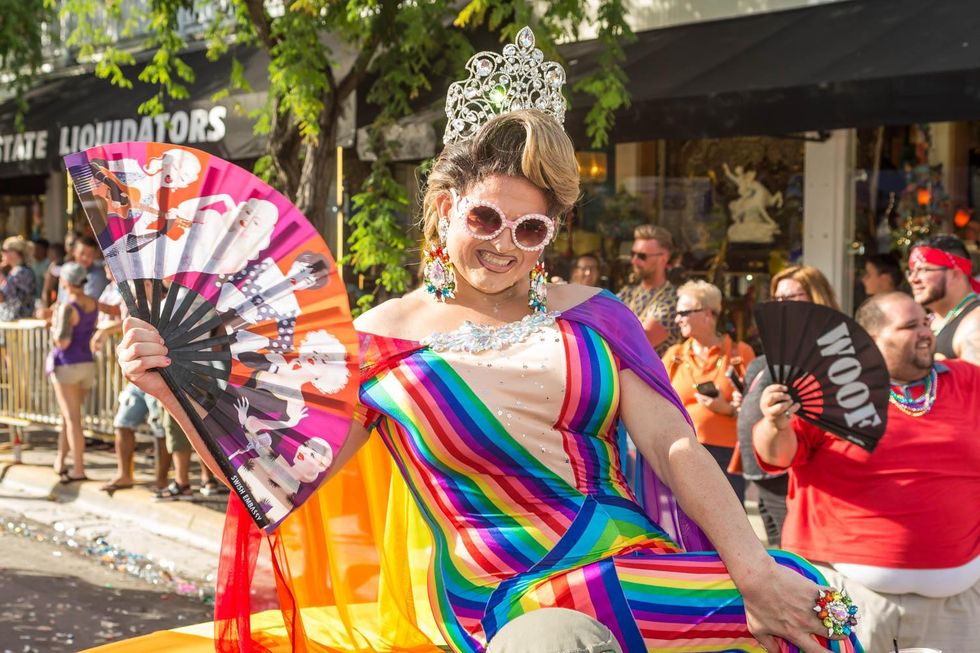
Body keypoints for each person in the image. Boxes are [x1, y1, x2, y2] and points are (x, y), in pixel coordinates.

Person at [118, 109, 861, 651]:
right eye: (485, 219)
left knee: (809, 598)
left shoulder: (597, 315)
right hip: (502, 592)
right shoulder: (375, 342)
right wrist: (172, 395)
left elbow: (674, 447)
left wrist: (753, 569)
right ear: (446, 208)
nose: (505, 246)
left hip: (630, 562)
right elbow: (279, 484)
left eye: (529, 230)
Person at [753, 291, 980, 651]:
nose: (926, 331)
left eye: (926, 321)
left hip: (956, 604)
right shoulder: (829, 387)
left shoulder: (968, 380)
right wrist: (774, 424)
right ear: (870, 340)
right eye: (910, 325)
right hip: (851, 595)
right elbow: (777, 456)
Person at [736, 265, 842, 547]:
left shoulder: (830, 346)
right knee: (778, 553)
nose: (780, 305)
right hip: (762, 469)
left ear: (816, 298)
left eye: (790, 297)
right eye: (777, 298)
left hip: (797, 470)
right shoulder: (782, 343)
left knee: (794, 556)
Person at [662, 280, 753, 504]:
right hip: (683, 452)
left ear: (708, 314)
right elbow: (657, 403)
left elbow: (756, 409)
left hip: (727, 455)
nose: (677, 319)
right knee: (686, 520)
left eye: (684, 312)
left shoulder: (740, 353)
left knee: (729, 517)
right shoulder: (674, 355)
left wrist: (728, 409)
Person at [47, 261, 98, 483]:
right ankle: (60, 460)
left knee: (73, 419)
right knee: (69, 417)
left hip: (68, 365)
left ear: (66, 282)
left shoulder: (67, 307)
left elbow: (62, 342)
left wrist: (53, 325)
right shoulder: (92, 302)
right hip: (87, 364)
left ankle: (78, 468)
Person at [907, 234, 980, 364]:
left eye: (923, 270)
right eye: (911, 271)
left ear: (956, 274)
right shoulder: (930, 320)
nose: (913, 279)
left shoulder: (975, 323)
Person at [617, 225, 682, 355]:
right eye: (633, 254)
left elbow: (639, 343)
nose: (634, 261)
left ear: (664, 257)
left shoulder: (672, 299)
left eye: (642, 256)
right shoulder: (627, 292)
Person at [0, 236, 38, 322]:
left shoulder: (20, 272)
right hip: (14, 321)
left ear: (15, 252)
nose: (2, 253)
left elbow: (1, 297)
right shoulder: (18, 271)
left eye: (4, 250)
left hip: (16, 322)